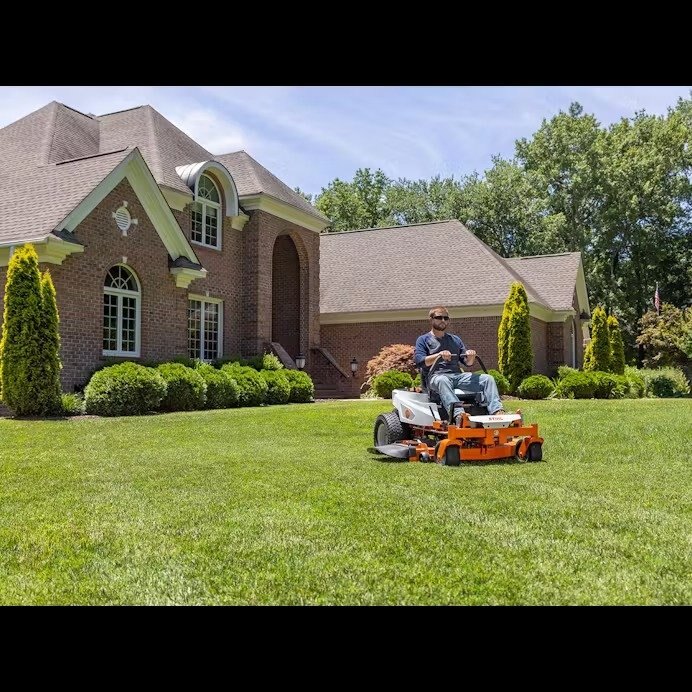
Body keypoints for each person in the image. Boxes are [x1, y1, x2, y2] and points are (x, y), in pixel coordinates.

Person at [414, 306, 505, 423]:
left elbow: (467, 363)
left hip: (457, 376)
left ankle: (497, 411)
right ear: (431, 320)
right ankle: (459, 415)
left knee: (488, 379)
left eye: (446, 318)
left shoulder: (455, 340)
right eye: (439, 317)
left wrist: (470, 356)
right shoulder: (423, 340)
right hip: (436, 377)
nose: (443, 320)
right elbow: (419, 361)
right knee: (443, 380)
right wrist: (438, 355)